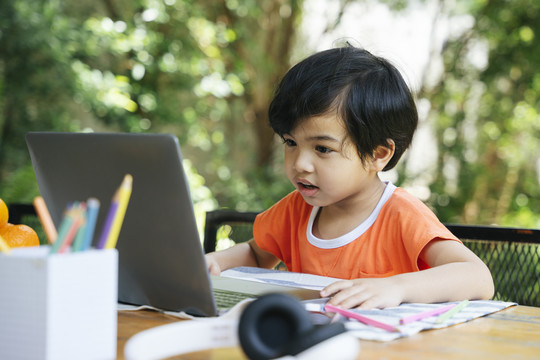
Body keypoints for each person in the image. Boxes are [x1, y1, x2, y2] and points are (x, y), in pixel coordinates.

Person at [205, 45, 494, 310]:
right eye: (291, 142)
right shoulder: (295, 211)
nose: (300, 164)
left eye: (322, 148)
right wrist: (214, 262)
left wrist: (396, 287)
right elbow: (257, 256)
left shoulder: (401, 215)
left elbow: (478, 278)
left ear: (378, 154)